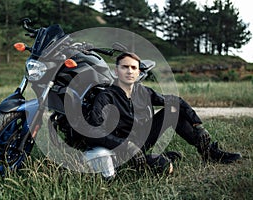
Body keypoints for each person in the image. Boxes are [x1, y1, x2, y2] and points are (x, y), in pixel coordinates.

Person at [79, 52, 241, 174]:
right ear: (116, 71)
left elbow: (176, 101)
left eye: (133, 68)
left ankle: (208, 152)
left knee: (172, 111)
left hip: (141, 140)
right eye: (125, 67)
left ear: (138, 73)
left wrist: (197, 123)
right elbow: (93, 132)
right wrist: (126, 146)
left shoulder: (142, 91)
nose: (129, 71)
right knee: (162, 167)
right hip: (121, 149)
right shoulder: (105, 97)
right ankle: (158, 160)